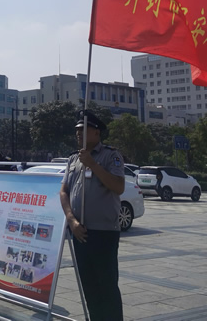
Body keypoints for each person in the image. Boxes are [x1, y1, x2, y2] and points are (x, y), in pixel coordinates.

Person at [60, 114, 125, 321]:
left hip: (103, 233)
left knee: (107, 287)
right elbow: (64, 192)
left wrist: (93, 164)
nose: (78, 133)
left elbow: (118, 186)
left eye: (83, 129)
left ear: (97, 132)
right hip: (80, 232)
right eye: (77, 130)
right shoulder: (73, 159)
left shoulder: (110, 156)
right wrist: (71, 220)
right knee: (89, 287)